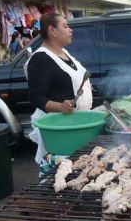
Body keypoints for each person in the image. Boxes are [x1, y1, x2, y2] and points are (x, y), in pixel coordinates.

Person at [24, 13, 92, 172]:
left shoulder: (64, 53)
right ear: (52, 30)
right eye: (65, 26)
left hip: (77, 125)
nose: (70, 30)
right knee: (62, 174)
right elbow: (35, 97)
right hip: (59, 131)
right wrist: (59, 106)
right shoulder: (41, 59)